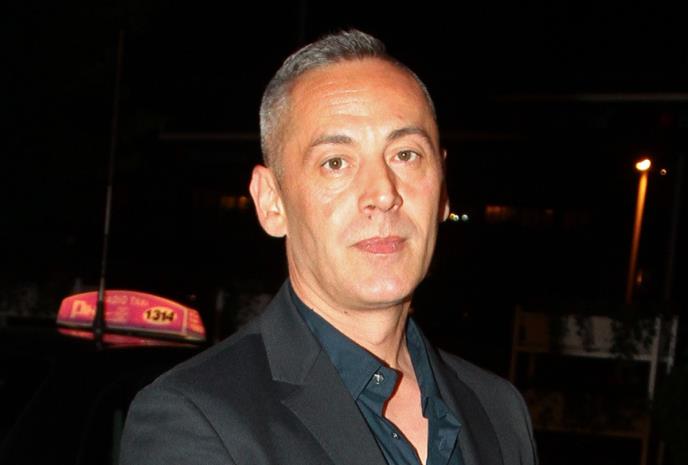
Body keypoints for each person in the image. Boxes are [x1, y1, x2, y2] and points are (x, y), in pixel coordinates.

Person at [120, 30, 537, 465]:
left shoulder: (499, 411)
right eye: (335, 163)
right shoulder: (195, 418)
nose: (383, 193)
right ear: (272, 202)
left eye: (406, 155)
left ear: (443, 189)